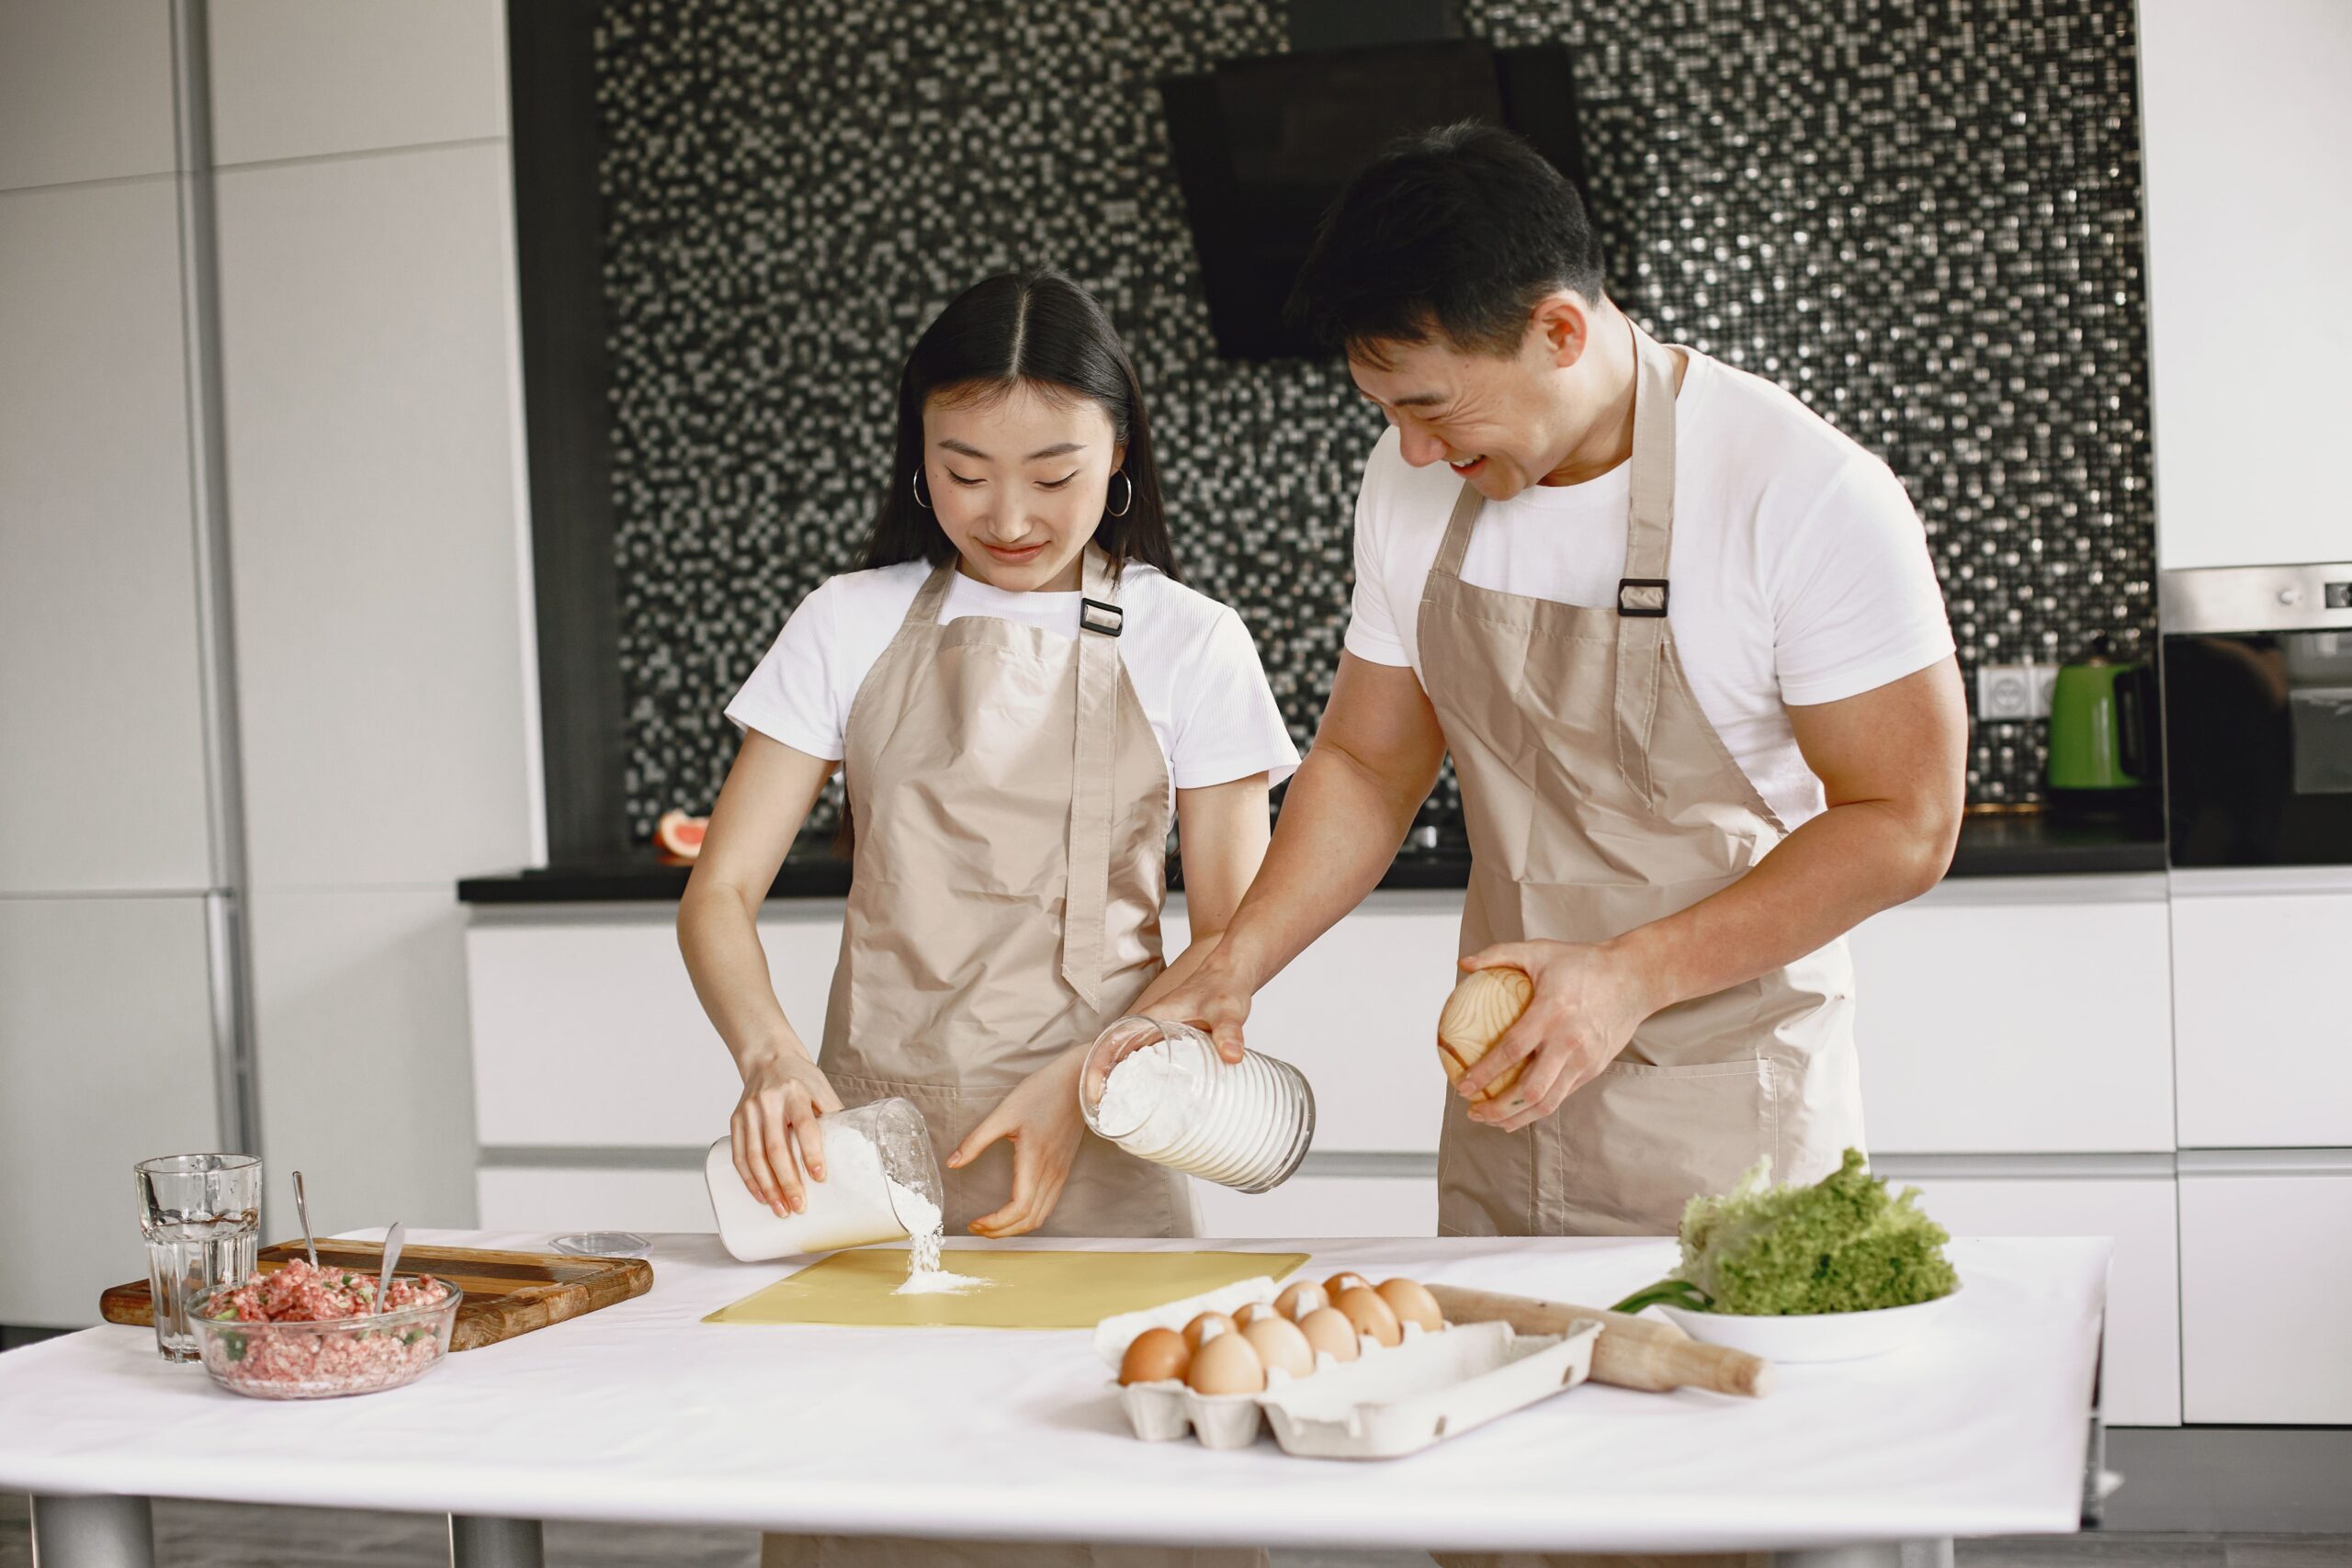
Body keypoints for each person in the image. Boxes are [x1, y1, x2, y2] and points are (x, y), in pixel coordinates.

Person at [1154, 122, 1968, 1249]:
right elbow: (1368, 761)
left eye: (1433, 407)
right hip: (1508, 1092)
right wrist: (1233, 962)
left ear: (1559, 330)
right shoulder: (1409, 483)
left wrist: (1629, 978)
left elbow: (1906, 823)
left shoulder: (1804, 492)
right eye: (1385, 414)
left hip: (1731, 1102)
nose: (1414, 451)